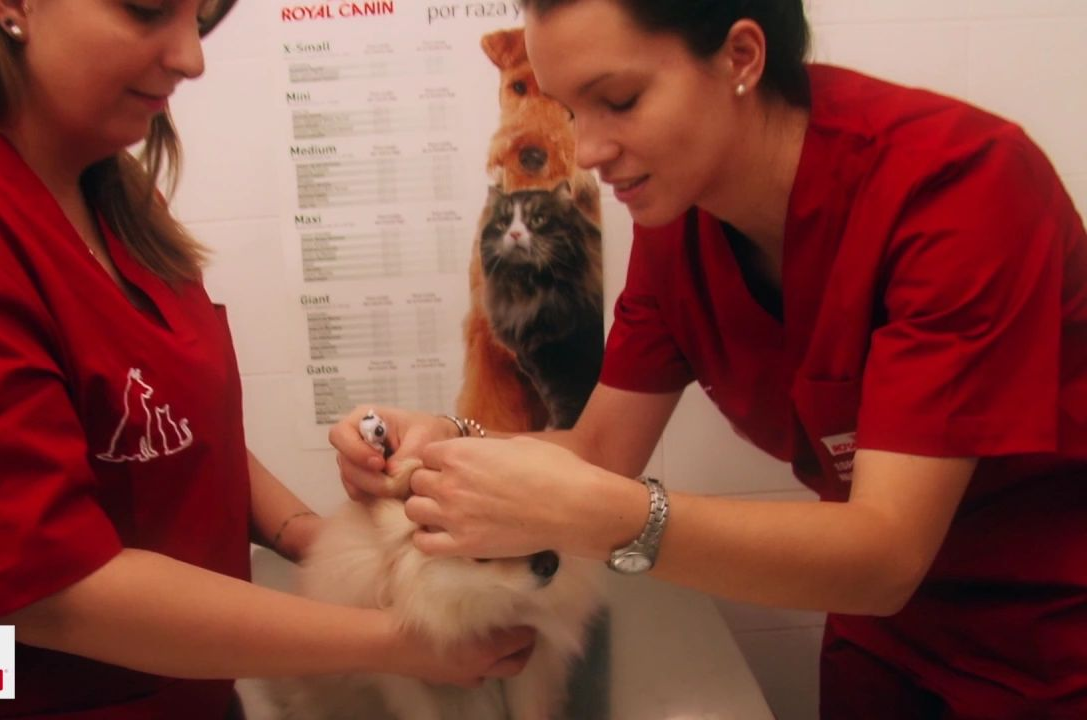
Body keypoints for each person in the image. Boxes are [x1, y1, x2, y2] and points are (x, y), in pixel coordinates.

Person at [331, 0, 1087, 717]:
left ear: (741, 56)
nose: (587, 153)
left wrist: (620, 521)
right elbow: (597, 454)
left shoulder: (959, 184)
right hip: (873, 626)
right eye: (570, 112)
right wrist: (448, 443)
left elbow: (889, 550)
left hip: (1049, 632)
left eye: (619, 100)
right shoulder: (679, 220)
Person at [0, 1, 534, 718]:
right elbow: (50, 593)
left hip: (178, 690)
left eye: (199, 17)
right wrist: (403, 643)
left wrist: (317, 540)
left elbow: (165, 429)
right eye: (148, 9)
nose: (192, 57)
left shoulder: (109, 192)